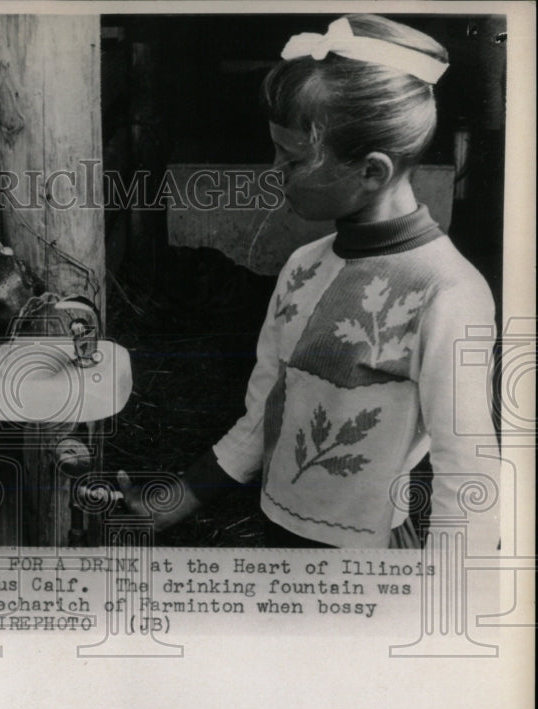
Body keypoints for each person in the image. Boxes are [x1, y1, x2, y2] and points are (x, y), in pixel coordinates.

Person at [119, 14, 500, 551]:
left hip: (370, 566)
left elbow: (466, 477)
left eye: (293, 158)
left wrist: (446, 613)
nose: (274, 169)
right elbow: (262, 420)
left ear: (372, 171)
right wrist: (167, 505)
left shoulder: (447, 292)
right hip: (278, 540)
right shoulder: (302, 266)